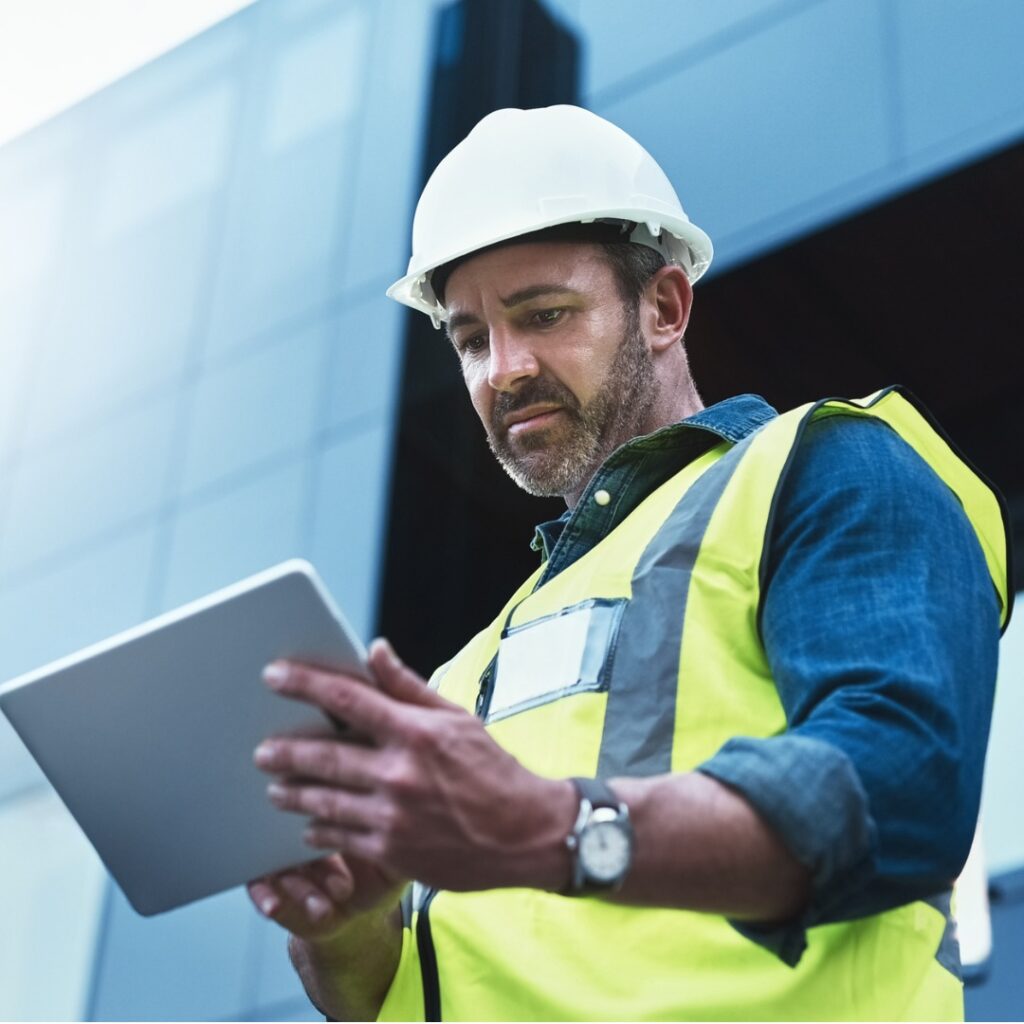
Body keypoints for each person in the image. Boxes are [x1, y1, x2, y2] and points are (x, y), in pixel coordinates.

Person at [245, 106, 1012, 1021]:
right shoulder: (460, 678)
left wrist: (551, 828)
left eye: (544, 315)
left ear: (664, 306)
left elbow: (902, 787)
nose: (503, 369)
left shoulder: (823, 467)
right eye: (471, 339)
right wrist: (344, 930)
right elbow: (391, 998)